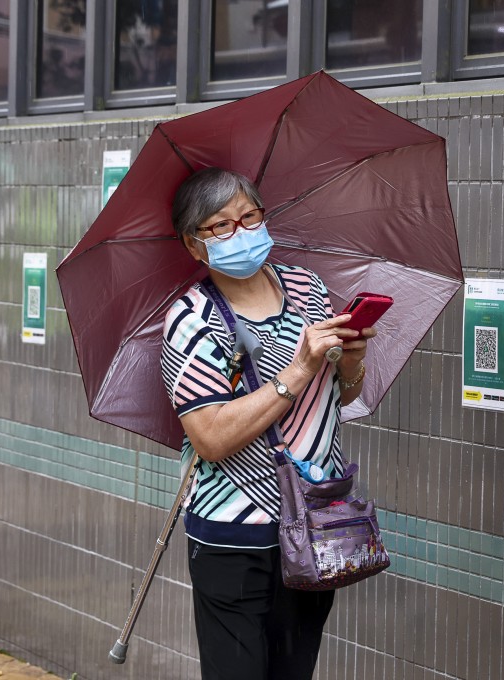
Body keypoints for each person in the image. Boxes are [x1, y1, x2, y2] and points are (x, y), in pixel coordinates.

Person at [160, 168, 373, 680]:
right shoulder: (191, 319)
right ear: (194, 245)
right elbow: (210, 439)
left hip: (315, 525)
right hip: (234, 536)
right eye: (221, 226)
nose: (241, 232)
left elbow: (342, 397)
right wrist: (297, 370)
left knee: (294, 671)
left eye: (249, 217)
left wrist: (351, 363)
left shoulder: (307, 287)